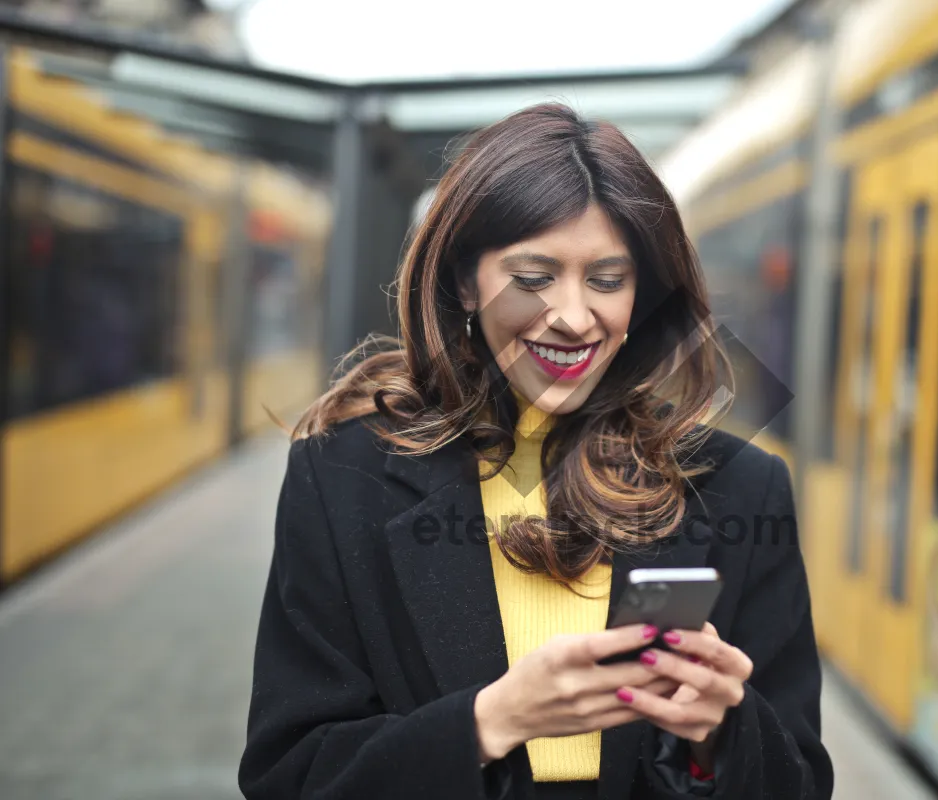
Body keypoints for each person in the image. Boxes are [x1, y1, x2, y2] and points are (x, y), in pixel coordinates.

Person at [238, 103, 834, 800]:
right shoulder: (342, 477)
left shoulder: (742, 487)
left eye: (608, 280)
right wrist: (491, 722)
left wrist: (720, 732)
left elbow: (798, 782)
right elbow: (290, 774)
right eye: (534, 277)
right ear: (465, 281)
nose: (575, 317)